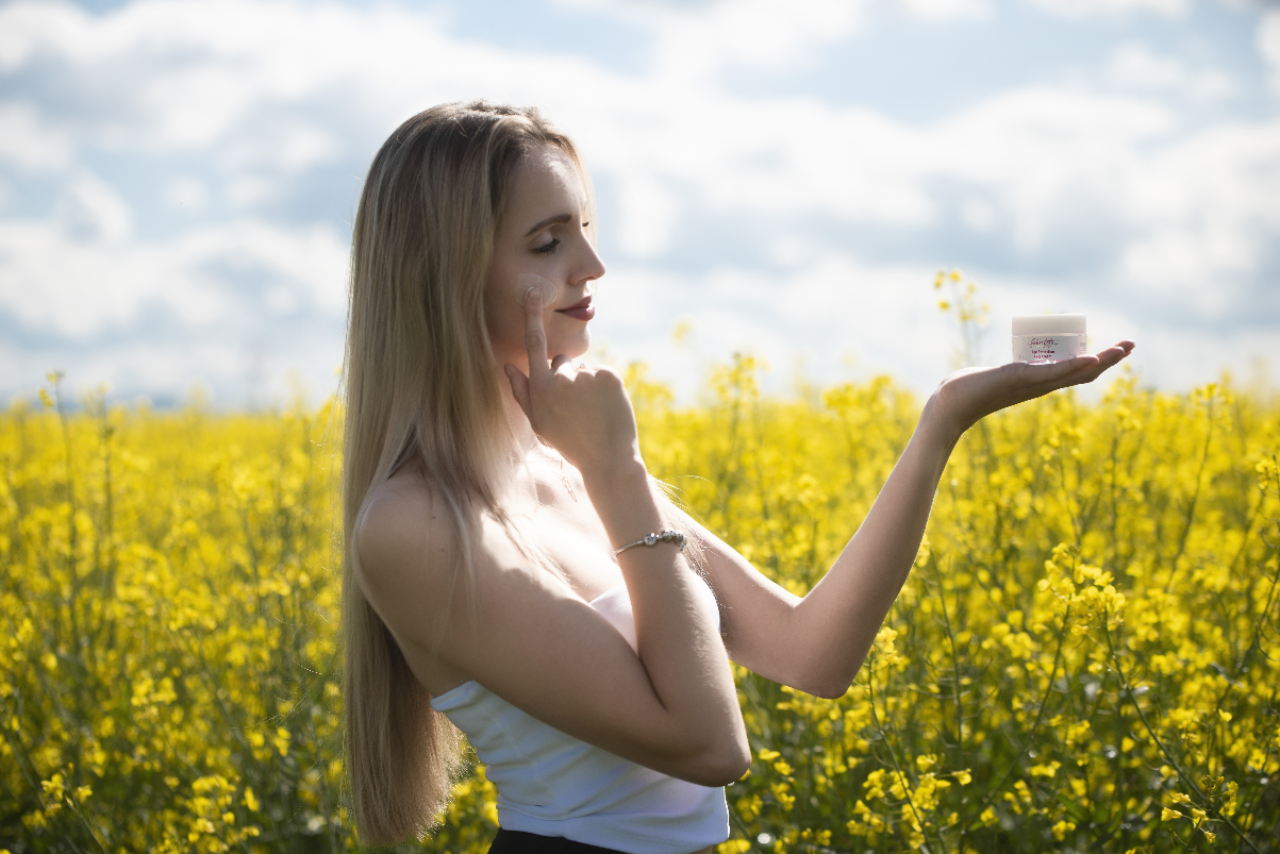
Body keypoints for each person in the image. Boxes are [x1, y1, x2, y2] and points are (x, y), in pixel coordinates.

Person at [341, 101, 1134, 854]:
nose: (593, 264)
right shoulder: (414, 525)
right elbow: (711, 746)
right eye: (548, 243)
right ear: (445, 276)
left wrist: (944, 421)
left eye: (584, 229)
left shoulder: (570, 463)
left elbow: (812, 654)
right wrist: (619, 473)